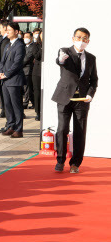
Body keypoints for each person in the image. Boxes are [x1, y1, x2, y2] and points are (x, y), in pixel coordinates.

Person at [52, 27, 98, 174]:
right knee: (62, 129)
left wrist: (91, 94)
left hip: (82, 100)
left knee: (80, 132)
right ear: (73, 38)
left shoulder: (91, 58)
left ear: (88, 41)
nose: (81, 41)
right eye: (78, 37)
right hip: (64, 97)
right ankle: (60, 160)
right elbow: (60, 61)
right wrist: (60, 59)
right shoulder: (65, 51)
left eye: (84, 38)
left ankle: (75, 163)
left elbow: (94, 80)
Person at [0, 22, 26, 138]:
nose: (7, 32)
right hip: (5, 80)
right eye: (6, 30)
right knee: (7, 105)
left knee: (16, 105)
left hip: (14, 80)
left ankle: (19, 129)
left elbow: (17, 63)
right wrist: (0, 73)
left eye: (9, 30)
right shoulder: (8, 44)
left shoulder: (19, 45)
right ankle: (11, 126)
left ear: (16, 32)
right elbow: (2, 61)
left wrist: (6, 74)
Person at [22, 31, 41, 110]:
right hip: (23, 70)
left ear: (31, 38)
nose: (26, 38)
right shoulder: (23, 46)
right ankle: (34, 103)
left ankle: (25, 103)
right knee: (27, 89)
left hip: (28, 70)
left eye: (27, 37)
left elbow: (27, 58)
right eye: (24, 37)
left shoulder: (32, 46)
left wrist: (18, 64)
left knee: (28, 89)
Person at [32, 29, 43, 121]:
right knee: (37, 92)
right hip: (37, 72)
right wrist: (42, 47)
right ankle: (38, 112)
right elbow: (36, 56)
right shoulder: (36, 45)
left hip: (46, 71)